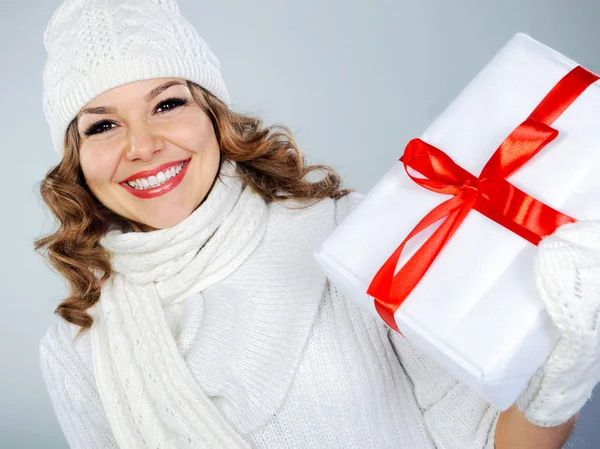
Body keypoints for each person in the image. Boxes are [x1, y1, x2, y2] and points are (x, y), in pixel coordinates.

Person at [35, 0, 600, 448]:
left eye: (166, 105)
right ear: (76, 160)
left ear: (214, 118)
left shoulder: (347, 235)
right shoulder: (76, 345)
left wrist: (560, 378)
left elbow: (481, 442)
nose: (143, 146)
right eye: (102, 126)